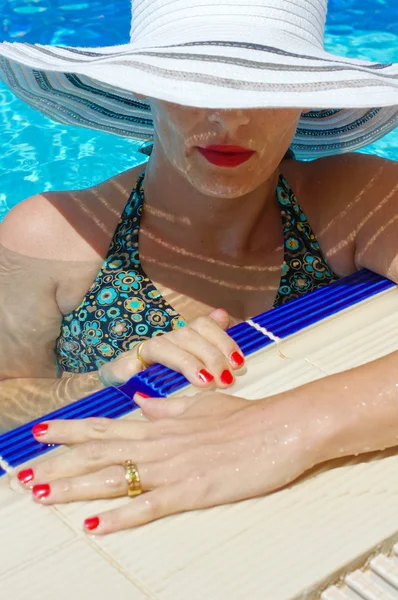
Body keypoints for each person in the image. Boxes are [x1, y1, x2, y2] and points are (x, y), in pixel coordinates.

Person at [0, 0, 397, 533]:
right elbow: (6, 398)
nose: (230, 118)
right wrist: (105, 378)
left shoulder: (355, 204)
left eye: (266, 82)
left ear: (308, 94)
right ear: (142, 84)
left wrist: (283, 428)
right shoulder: (55, 236)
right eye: (194, 82)